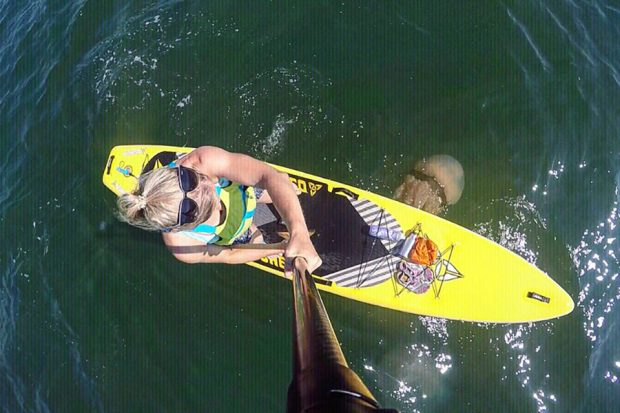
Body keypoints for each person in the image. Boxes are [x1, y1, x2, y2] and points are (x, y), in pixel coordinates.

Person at [116, 146, 322, 274]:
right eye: (190, 207)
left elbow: (268, 176)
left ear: (180, 171)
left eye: (188, 179)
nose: (202, 187)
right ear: (185, 224)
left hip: (244, 193)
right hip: (235, 229)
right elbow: (230, 255)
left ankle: (283, 211)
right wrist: (281, 248)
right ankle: (256, 227)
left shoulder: (202, 162)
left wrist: (299, 233)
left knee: (286, 186)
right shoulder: (182, 246)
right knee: (256, 240)